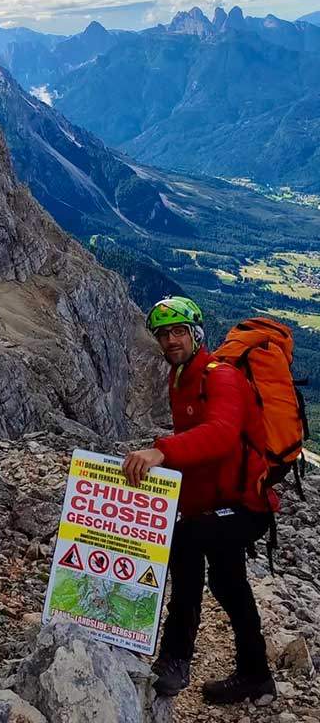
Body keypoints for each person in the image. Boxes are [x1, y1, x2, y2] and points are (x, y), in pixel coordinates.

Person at [124, 296, 277, 705]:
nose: (171, 340)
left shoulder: (220, 376)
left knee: (187, 543)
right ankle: (255, 675)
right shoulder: (181, 377)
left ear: (195, 334)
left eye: (179, 331)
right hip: (216, 502)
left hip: (246, 504)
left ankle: (176, 659)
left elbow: (223, 433)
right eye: (163, 333)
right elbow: (203, 457)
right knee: (229, 585)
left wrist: (162, 451)